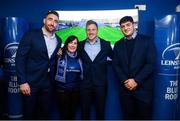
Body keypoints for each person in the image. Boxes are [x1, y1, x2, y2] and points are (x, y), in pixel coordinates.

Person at [15, 10, 62, 119]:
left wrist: (59, 54)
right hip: (31, 83)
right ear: (44, 20)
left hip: (48, 84)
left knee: (44, 114)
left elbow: (50, 59)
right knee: (29, 114)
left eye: (55, 21)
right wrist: (22, 82)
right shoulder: (31, 35)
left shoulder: (58, 40)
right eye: (50, 19)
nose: (52, 23)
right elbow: (20, 58)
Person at [112, 16, 156, 119]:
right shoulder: (118, 45)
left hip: (143, 91)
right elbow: (116, 65)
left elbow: (150, 64)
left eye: (128, 25)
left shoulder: (147, 41)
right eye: (123, 26)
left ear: (134, 25)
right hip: (125, 91)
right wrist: (125, 81)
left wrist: (136, 80)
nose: (126, 28)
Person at [78, 20, 112, 120]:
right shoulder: (80, 45)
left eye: (93, 29)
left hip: (101, 84)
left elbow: (115, 58)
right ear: (86, 31)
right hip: (84, 84)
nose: (91, 32)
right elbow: (71, 55)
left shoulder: (106, 44)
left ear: (97, 30)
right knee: (84, 112)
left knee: (100, 112)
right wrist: (60, 51)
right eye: (88, 30)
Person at [55, 35, 83, 120]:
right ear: (67, 44)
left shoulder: (80, 56)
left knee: (72, 113)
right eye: (70, 42)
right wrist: (59, 51)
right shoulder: (59, 54)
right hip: (62, 90)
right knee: (64, 114)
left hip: (75, 90)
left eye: (75, 43)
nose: (73, 45)